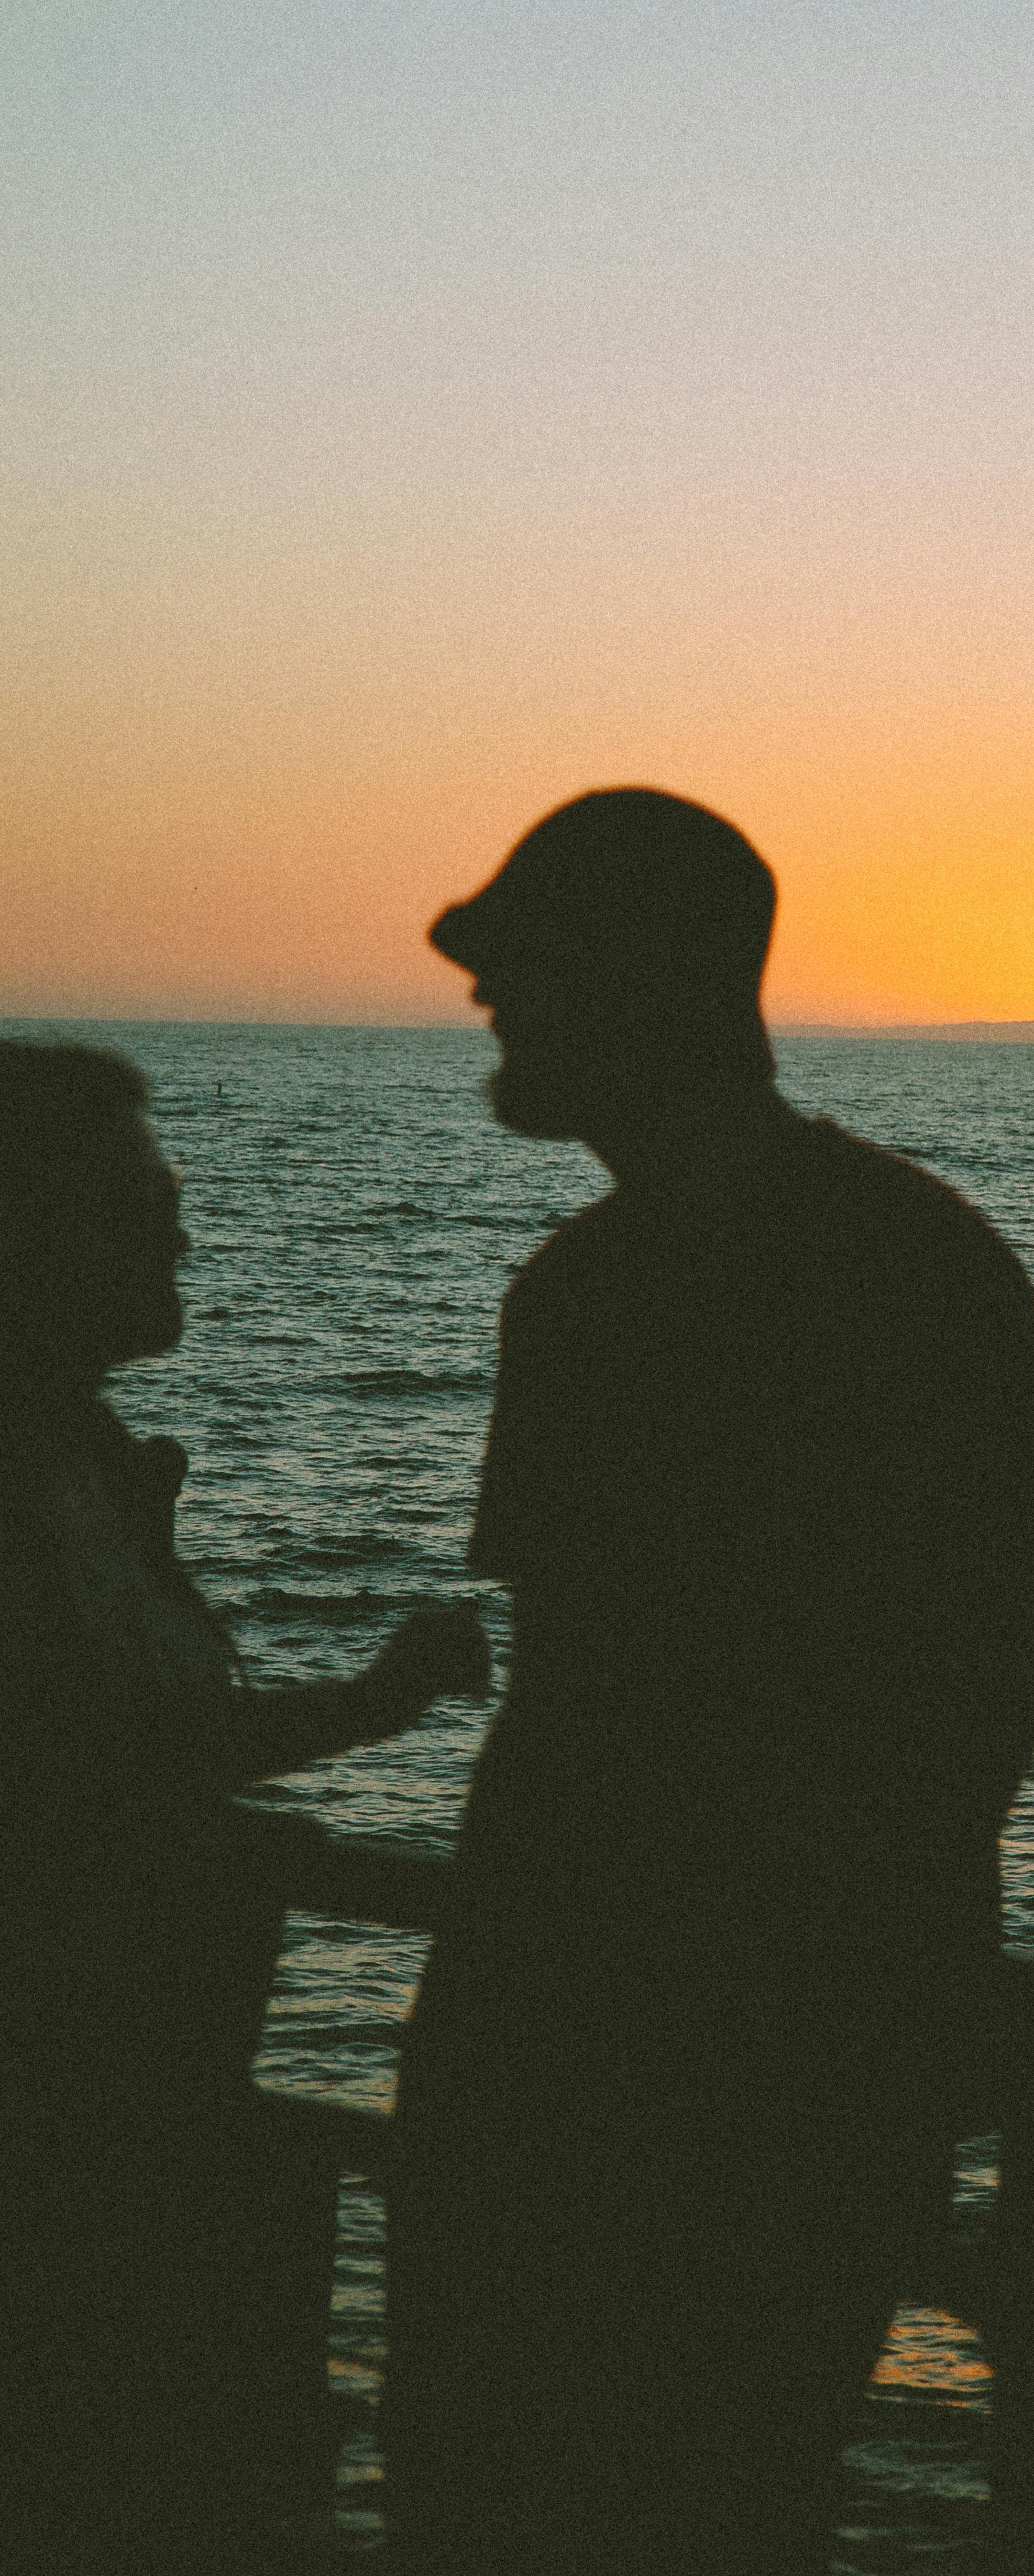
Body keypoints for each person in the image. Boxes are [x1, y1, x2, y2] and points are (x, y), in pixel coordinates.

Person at [386, 789, 1034, 2576]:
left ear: (645, 981)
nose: (484, 1001)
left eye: (520, 965)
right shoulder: (901, 1263)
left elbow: (618, 1714)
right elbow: (957, 1720)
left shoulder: (615, 1292)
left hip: (671, 2085)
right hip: (736, 2079)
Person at [0, 1039, 490, 2574]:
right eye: (139, 1205)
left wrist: (373, 1703)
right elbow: (104, 1762)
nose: (183, 1236)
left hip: (141, 2107)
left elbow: (130, 1745)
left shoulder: (83, 1461)